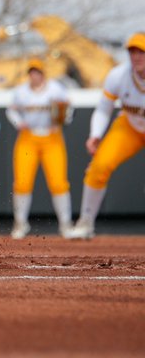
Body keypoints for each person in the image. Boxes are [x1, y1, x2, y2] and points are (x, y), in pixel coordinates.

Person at [68, 31, 145, 239]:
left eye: (141, 52)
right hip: (130, 126)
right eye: (132, 52)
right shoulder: (118, 75)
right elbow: (104, 109)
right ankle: (85, 223)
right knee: (99, 166)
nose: (136, 56)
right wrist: (95, 134)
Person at [6, 58, 74, 239]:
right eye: (32, 72)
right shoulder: (21, 92)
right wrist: (18, 122)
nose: (34, 76)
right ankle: (20, 223)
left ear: (43, 74)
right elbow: (11, 110)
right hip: (28, 138)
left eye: (37, 72)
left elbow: (68, 108)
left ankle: (65, 224)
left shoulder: (55, 89)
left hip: (52, 138)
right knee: (22, 182)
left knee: (59, 183)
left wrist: (62, 120)